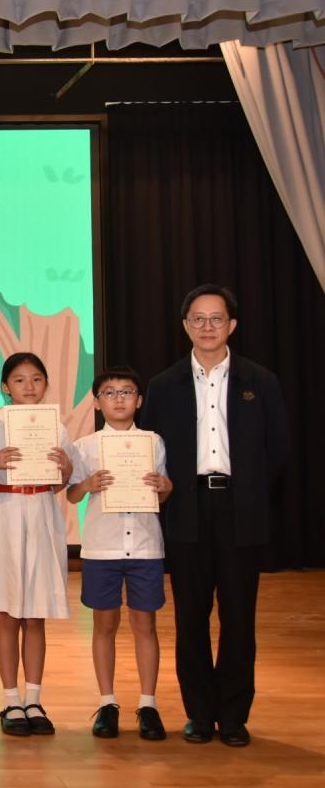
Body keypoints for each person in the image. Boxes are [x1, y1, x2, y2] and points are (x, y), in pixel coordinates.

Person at [140, 284, 287, 747]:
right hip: (186, 508)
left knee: (239, 617)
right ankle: (200, 713)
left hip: (241, 509)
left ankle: (235, 715)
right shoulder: (163, 386)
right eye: (198, 319)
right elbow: (151, 450)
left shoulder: (260, 381)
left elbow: (278, 450)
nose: (208, 327)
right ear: (186, 326)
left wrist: (251, 494)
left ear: (232, 325)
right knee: (191, 617)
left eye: (216, 318)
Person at [0, 352, 74, 737]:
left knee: (36, 614)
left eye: (36, 379)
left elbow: (61, 483)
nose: (28, 386)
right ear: (5, 386)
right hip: (6, 512)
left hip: (42, 511)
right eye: (19, 380)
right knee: (8, 611)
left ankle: (34, 698)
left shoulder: (56, 428)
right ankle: (11, 699)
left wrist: (65, 469)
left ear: (46, 385)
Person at [67, 366, 172, 741]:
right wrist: (87, 484)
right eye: (109, 393)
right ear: (97, 402)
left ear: (139, 400)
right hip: (101, 547)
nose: (118, 399)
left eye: (126, 392)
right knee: (104, 625)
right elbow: (72, 494)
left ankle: (148, 704)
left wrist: (165, 486)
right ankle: (107, 702)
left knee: (146, 625)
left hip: (145, 545)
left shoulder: (153, 442)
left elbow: (163, 491)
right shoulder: (85, 446)